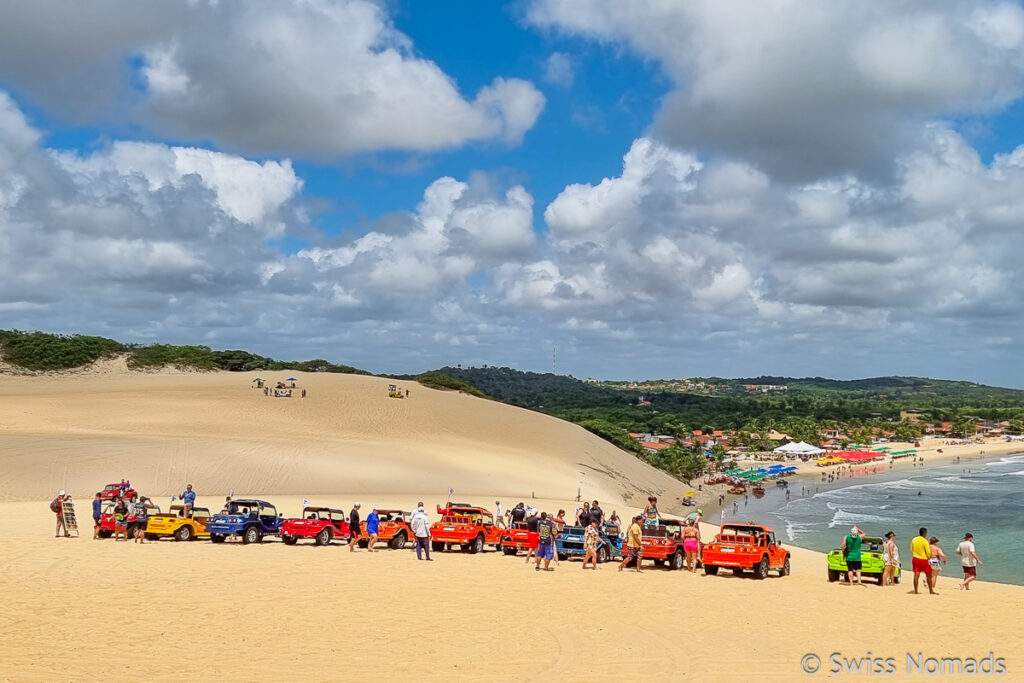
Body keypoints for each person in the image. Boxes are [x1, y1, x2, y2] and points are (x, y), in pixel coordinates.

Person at [911, 527, 934, 595]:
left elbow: (911, 549)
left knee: (916, 575)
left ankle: (915, 591)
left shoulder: (914, 539)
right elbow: (928, 552)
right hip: (923, 559)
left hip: (915, 558)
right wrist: (929, 557)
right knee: (929, 575)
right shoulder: (925, 541)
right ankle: (931, 591)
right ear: (924, 533)